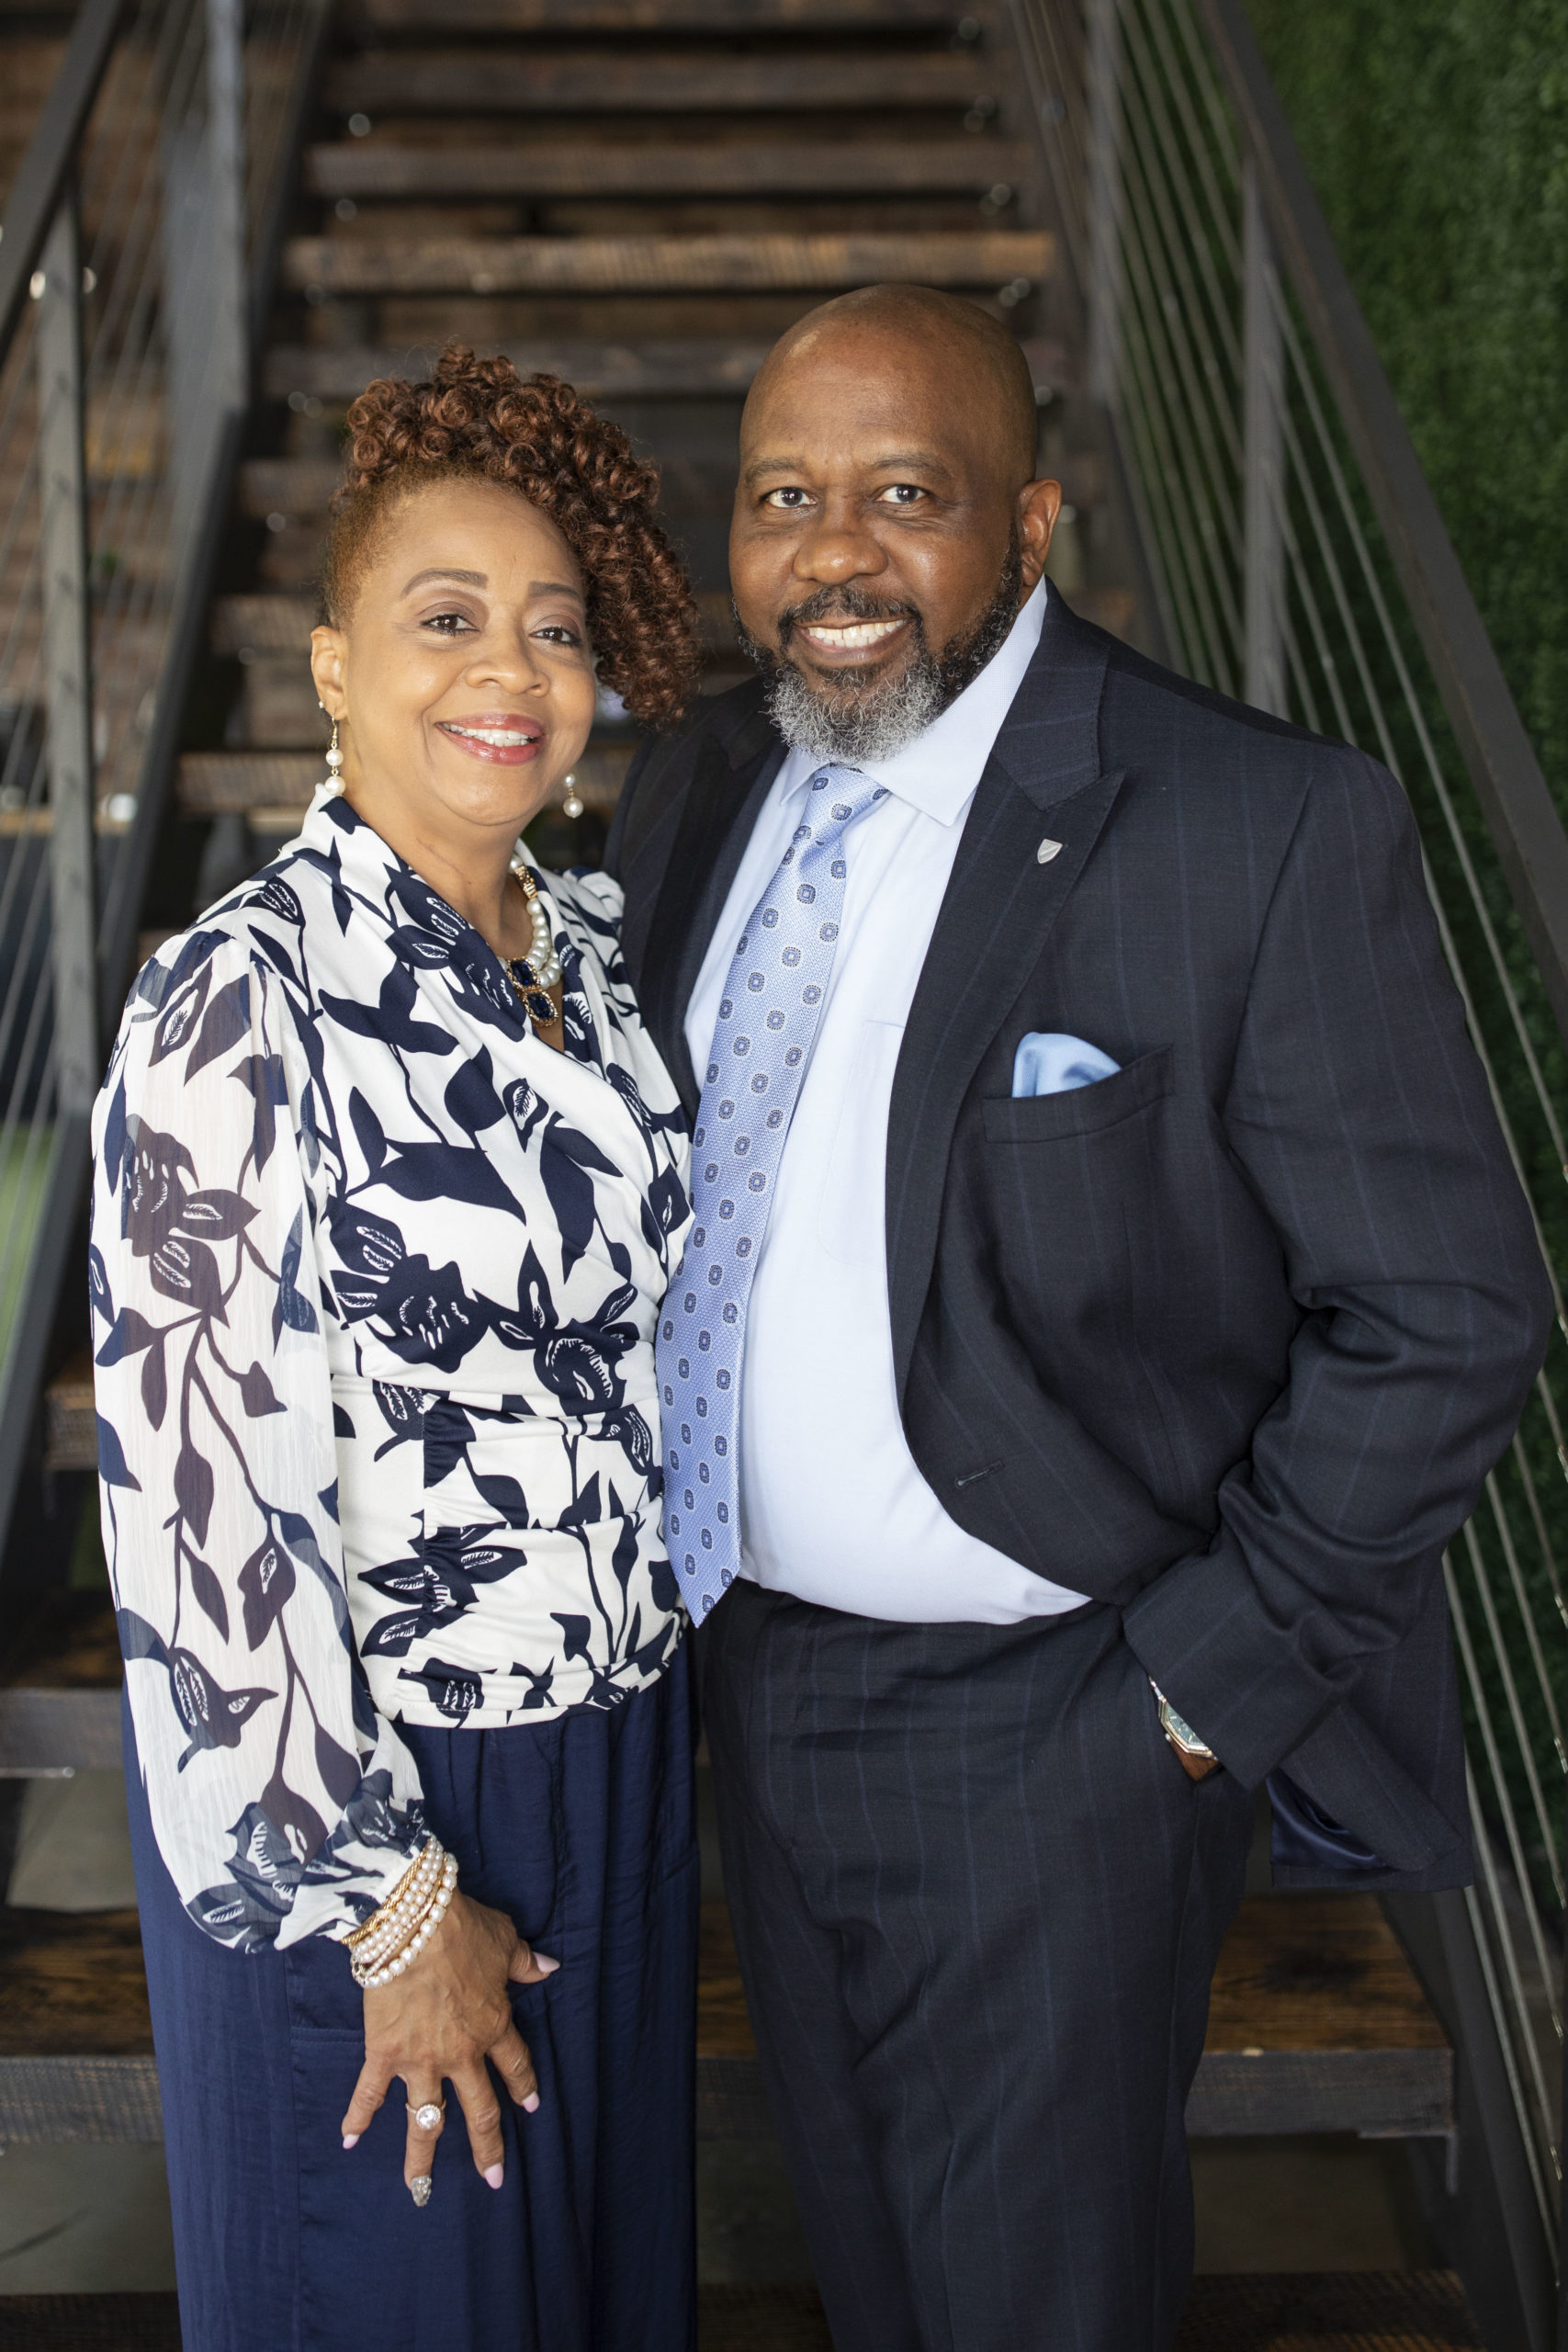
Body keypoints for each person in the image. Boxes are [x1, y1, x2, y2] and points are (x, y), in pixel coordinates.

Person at [606, 285, 1553, 2351]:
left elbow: (1445, 1309)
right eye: (782, 496)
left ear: (1028, 525)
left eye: (903, 494)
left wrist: (1193, 1694)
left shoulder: (1247, 823)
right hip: (745, 1682)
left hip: (1055, 1727)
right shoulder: (696, 784)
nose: (833, 554)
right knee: (871, 2277)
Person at [91, 345, 702, 2352]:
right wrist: (382, 1895)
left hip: (610, 1748)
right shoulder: (236, 1001)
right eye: (445, 618)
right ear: (334, 667)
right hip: (379, 1795)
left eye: (556, 626)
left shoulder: (589, 957)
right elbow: (200, 1510)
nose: (510, 669)